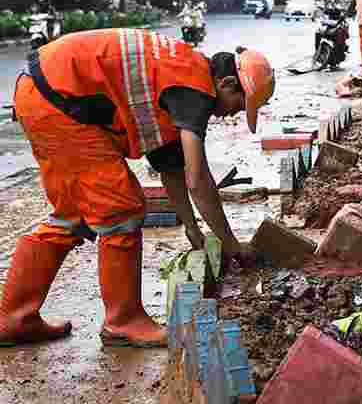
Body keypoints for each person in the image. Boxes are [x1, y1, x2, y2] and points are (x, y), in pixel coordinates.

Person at [0, 29, 275, 348]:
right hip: (58, 98)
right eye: (238, 106)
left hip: (43, 93)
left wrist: (192, 229)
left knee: (73, 215)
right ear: (226, 84)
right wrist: (231, 244)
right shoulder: (194, 90)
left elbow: (173, 171)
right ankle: (123, 321)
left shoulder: (179, 80)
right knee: (122, 209)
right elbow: (198, 181)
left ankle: (14, 317)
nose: (232, 115)